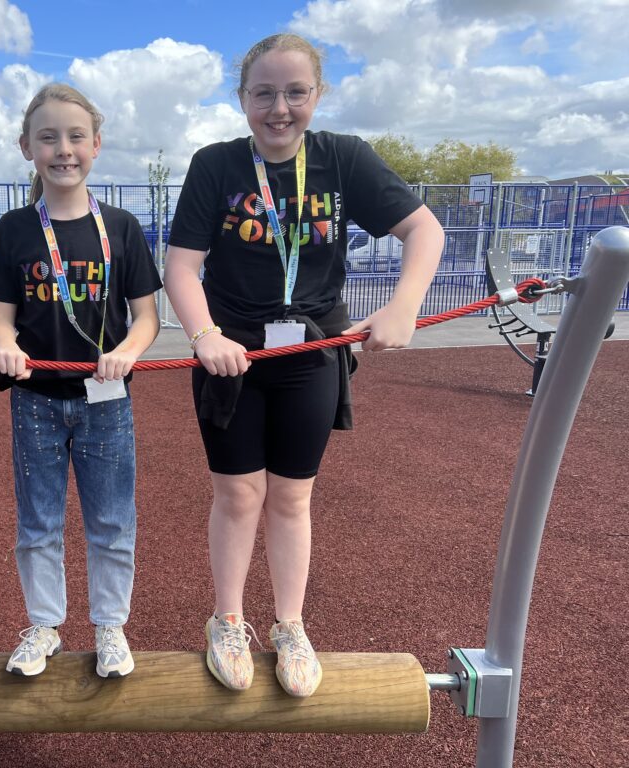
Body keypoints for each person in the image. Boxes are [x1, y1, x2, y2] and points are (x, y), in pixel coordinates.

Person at [164, 33, 444, 697]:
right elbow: (181, 265)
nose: (279, 107)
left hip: (314, 353)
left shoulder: (344, 159)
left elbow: (424, 230)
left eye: (295, 92)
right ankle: (227, 619)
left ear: (317, 95)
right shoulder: (216, 166)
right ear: (242, 99)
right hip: (233, 357)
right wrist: (203, 333)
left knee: (292, 497)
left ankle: (289, 623)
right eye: (264, 93)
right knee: (238, 494)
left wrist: (403, 305)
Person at [0, 83, 161, 679]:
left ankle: (110, 627)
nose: (63, 149)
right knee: (37, 522)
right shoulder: (14, 228)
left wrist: (127, 352)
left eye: (75, 136)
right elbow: (0, 321)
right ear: (26, 146)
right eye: (48, 137)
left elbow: (146, 318)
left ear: (97, 145)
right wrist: (4, 349)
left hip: (107, 401)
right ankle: (44, 625)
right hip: (35, 399)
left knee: (111, 520)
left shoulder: (122, 226)